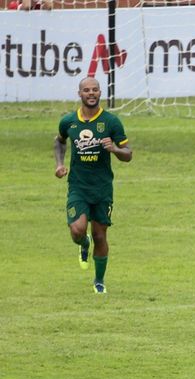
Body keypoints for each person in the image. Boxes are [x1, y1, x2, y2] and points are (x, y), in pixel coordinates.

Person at [54, 76, 132, 294]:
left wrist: (115, 150)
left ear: (100, 93)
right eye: (86, 90)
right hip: (78, 187)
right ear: (79, 94)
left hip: (102, 188)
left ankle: (99, 281)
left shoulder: (111, 122)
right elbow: (59, 141)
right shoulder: (69, 121)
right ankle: (83, 244)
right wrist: (59, 164)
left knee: (100, 235)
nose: (91, 93)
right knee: (77, 230)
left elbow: (128, 154)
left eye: (95, 90)